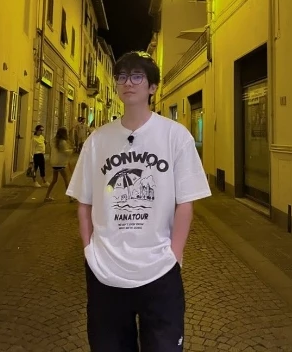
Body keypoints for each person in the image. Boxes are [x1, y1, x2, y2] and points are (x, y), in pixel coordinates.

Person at [66, 51, 211, 351]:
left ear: (153, 87)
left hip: (159, 270)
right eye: (122, 77)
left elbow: (185, 202)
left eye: (136, 76)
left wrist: (174, 255)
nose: (127, 83)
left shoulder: (176, 136)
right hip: (104, 272)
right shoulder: (97, 141)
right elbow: (84, 202)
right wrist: (89, 250)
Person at [45, 127, 73, 202]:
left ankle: (47, 196)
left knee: (54, 180)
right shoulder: (62, 142)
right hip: (61, 164)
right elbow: (65, 152)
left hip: (54, 163)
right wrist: (71, 150)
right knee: (66, 180)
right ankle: (70, 198)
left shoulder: (53, 141)